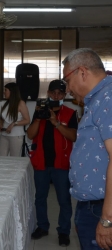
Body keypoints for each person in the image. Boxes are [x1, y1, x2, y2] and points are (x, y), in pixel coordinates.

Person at [62, 48, 112, 250]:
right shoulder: (97, 100)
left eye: (66, 80)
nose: (67, 89)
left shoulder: (107, 99)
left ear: (82, 71)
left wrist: (107, 219)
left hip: (102, 208)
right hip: (93, 206)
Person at [27, 79, 78, 246]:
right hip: (41, 162)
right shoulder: (40, 111)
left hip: (61, 164)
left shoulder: (70, 113)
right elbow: (30, 135)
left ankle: (63, 231)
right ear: (48, 93)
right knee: (40, 197)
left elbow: (73, 136)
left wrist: (56, 123)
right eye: (53, 92)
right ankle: (42, 226)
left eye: (60, 93)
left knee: (64, 199)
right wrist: (38, 118)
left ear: (64, 95)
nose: (56, 95)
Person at [0, 83, 30, 156]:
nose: (4, 92)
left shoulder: (21, 103)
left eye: (5, 90)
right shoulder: (5, 103)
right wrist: (0, 123)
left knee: (14, 159)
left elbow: (27, 120)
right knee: (1, 157)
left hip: (16, 135)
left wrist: (14, 123)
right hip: (4, 134)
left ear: (12, 91)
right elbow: (2, 118)